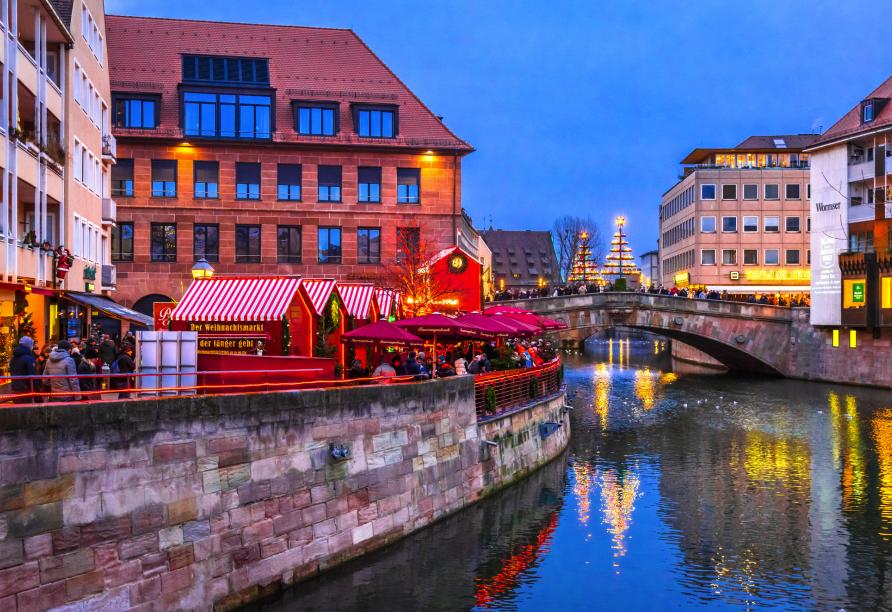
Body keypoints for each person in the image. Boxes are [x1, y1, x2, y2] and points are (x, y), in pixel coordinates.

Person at [9, 336, 37, 403]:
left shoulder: (13, 358)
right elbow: (33, 377)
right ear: (29, 345)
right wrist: (37, 393)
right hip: (26, 391)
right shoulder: (29, 359)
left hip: (15, 389)